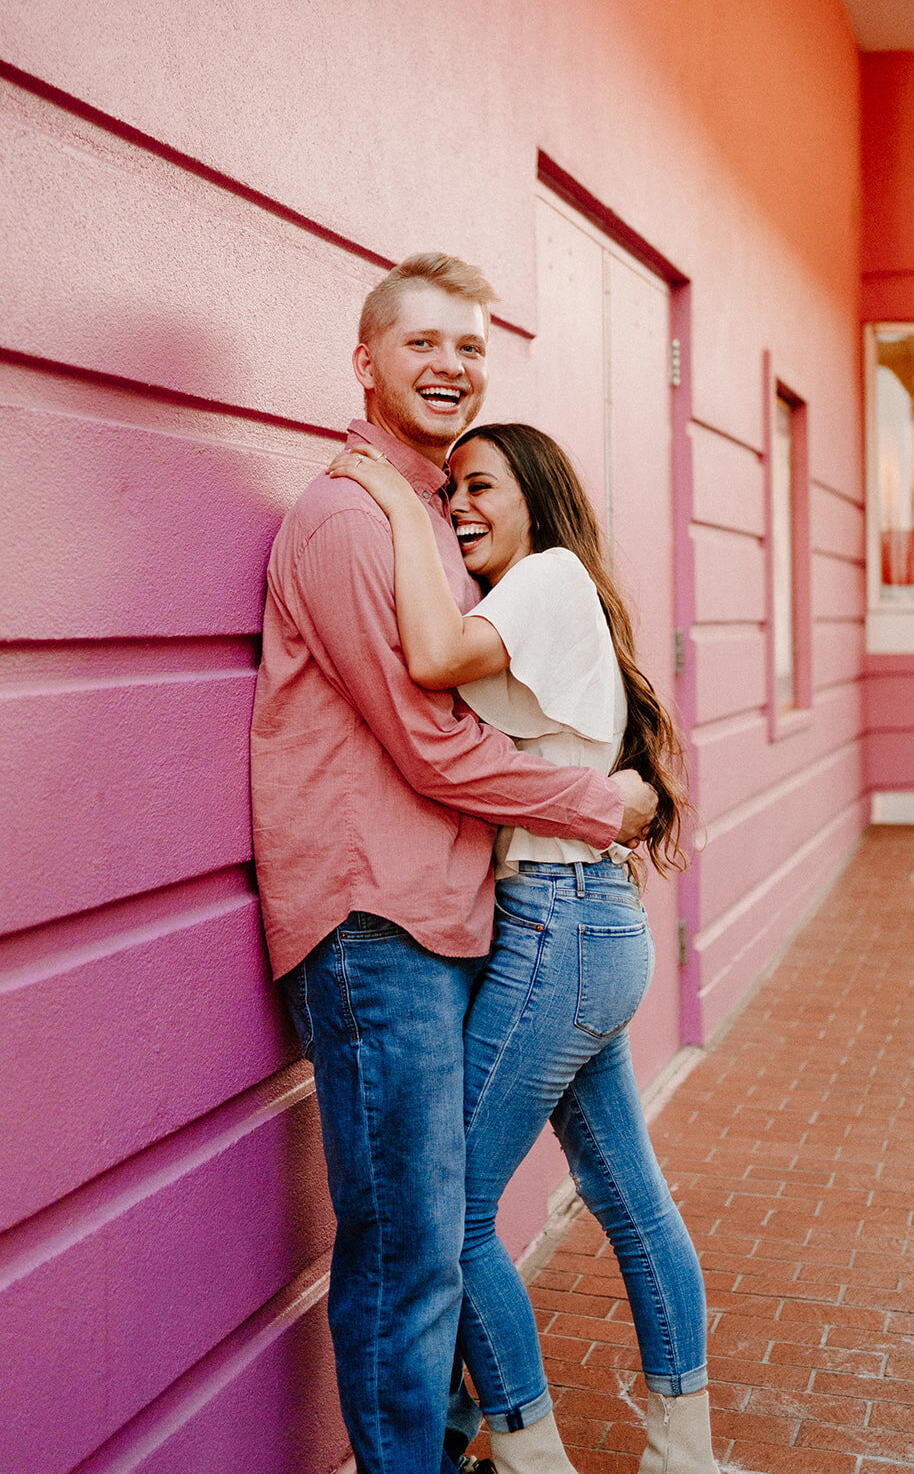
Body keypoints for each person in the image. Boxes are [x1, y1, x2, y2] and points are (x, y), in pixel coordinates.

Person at [249, 253, 657, 1474]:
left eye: (470, 347)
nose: (451, 366)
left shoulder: (437, 517)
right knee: (408, 1245)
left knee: (429, 1232)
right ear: (365, 361)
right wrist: (599, 802)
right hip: (373, 923)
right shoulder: (342, 517)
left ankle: (462, 1445)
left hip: (448, 915)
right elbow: (432, 748)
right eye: (422, 343)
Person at [328, 421, 719, 1473]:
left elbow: (433, 655)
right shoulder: (533, 596)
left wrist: (393, 499)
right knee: (628, 1192)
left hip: (558, 926)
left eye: (478, 486)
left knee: (446, 1213)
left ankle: (531, 1451)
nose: (456, 503)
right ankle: (684, 1451)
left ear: (536, 500)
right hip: (588, 926)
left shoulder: (546, 577)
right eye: (447, 487)